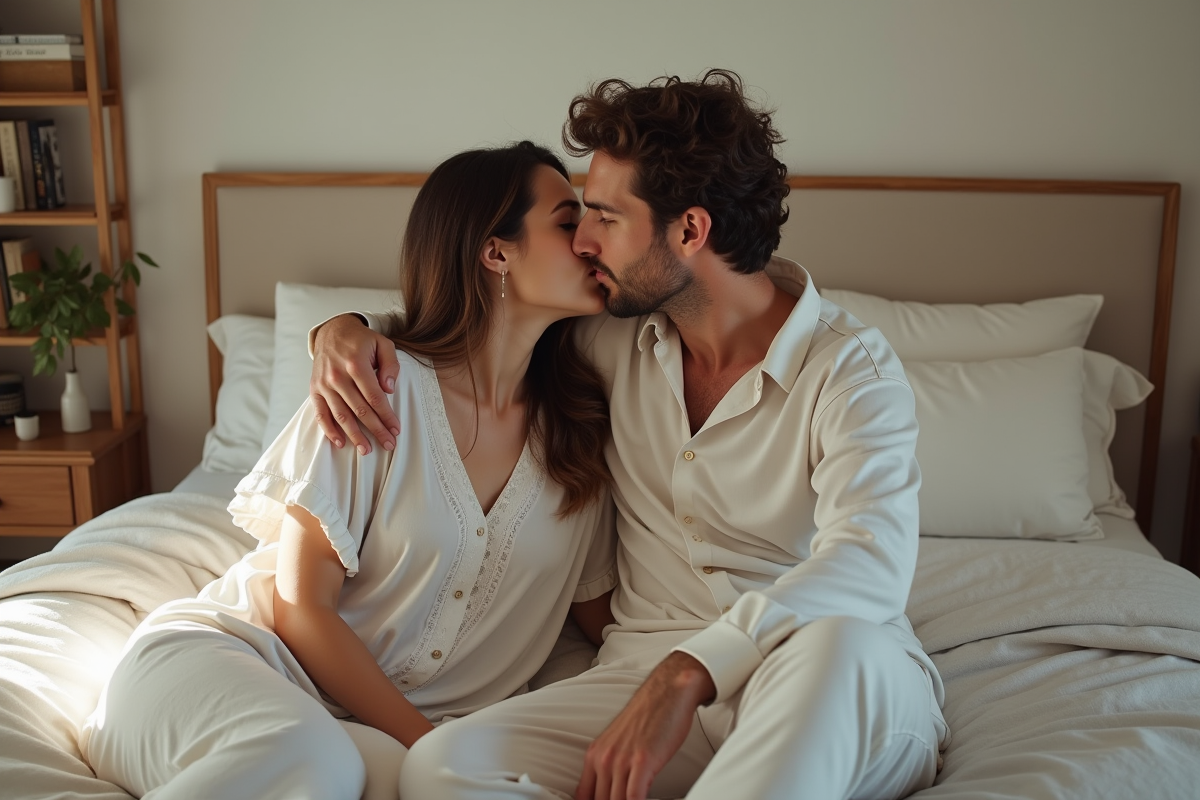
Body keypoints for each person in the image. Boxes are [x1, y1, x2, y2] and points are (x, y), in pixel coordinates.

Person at [311, 70, 949, 800]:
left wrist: (693, 669)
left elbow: (870, 561)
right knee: (443, 766)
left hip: (822, 678)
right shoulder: (606, 337)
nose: (584, 241)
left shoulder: (850, 371)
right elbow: (475, 329)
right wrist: (342, 332)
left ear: (690, 231)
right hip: (641, 677)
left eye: (606, 218)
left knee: (837, 645)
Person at [79, 141, 620, 800]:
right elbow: (301, 606)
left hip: (377, 738)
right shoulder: (375, 390)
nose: (590, 240)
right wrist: (431, 745)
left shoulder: (581, 438)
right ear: (495, 252)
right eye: (567, 222)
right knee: (313, 760)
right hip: (238, 666)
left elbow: (604, 618)